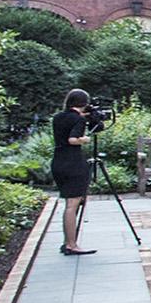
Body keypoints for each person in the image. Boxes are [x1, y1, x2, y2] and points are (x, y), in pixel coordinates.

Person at [52, 89, 100, 256]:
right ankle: (71, 244)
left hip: (58, 161)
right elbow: (72, 139)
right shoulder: (78, 119)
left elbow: (63, 134)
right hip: (73, 163)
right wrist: (84, 139)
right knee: (72, 205)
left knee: (68, 204)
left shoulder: (58, 117)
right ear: (84, 103)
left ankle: (67, 241)